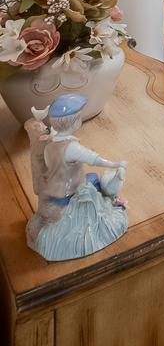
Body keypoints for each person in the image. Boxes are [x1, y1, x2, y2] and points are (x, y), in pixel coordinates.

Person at [25, 93, 128, 261]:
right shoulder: (71, 147)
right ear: (74, 121)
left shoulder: (50, 144)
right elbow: (95, 159)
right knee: (94, 183)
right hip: (69, 195)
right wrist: (115, 164)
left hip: (54, 191)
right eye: (79, 117)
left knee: (92, 178)